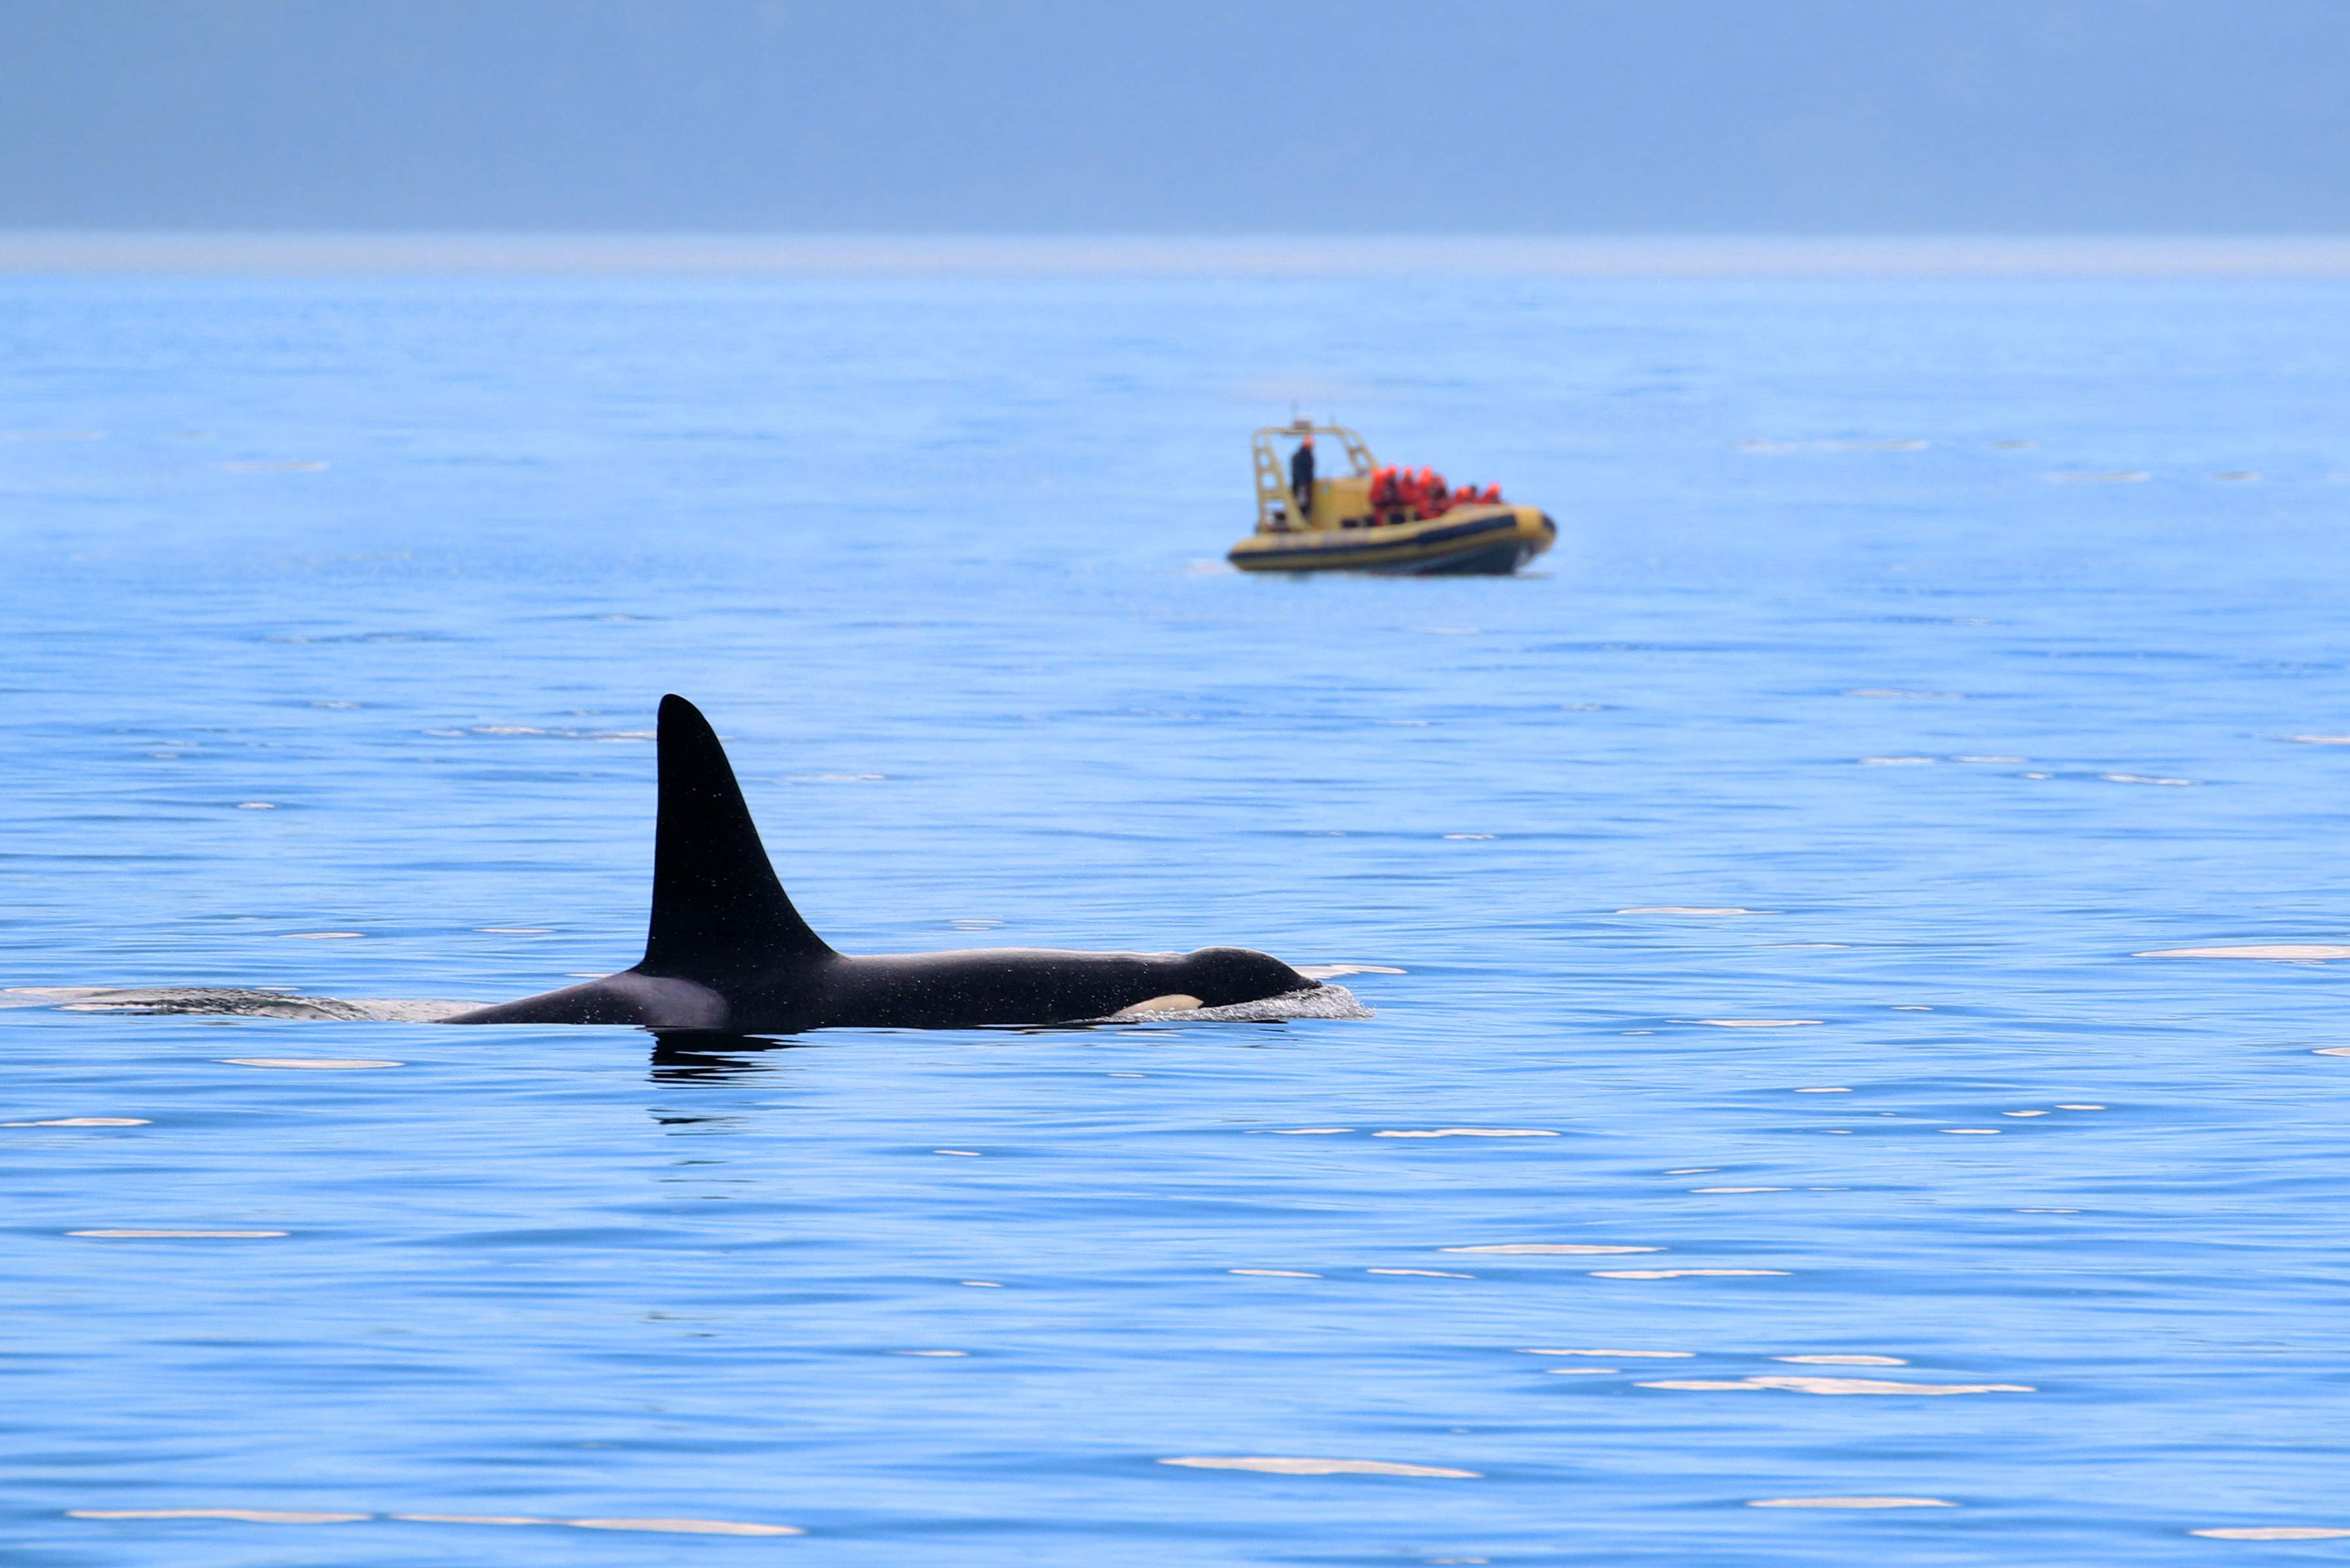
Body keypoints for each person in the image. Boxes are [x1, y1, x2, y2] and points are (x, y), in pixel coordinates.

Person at [1290, 435, 1316, 522]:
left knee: (1306, 504)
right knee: (1302, 504)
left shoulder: (1309, 456)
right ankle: (1303, 520)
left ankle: (1305, 518)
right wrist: (1303, 484)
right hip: (1302, 486)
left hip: (1306, 485)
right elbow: (1298, 473)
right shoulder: (1299, 457)